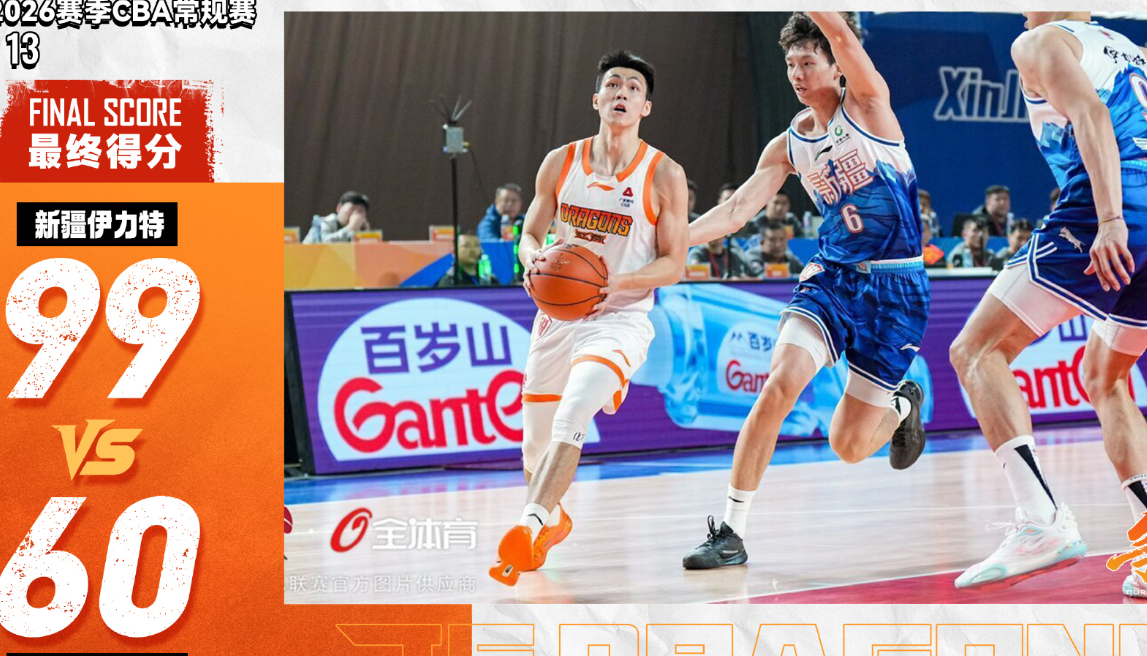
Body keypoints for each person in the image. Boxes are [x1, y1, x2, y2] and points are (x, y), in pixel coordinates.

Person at [682, 12, 929, 569]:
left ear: (836, 66)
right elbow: (736, 210)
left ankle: (901, 405)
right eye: (790, 64)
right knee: (779, 385)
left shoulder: (868, 106)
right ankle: (731, 533)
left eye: (808, 62)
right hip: (832, 278)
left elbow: (840, 32)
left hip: (897, 287)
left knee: (848, 445)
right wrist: (671, 243)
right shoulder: (788, 145)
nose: (796, 73)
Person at [949, 12, 1147, 596]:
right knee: (1104, 376)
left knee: (976, 351)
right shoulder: (1128, 48)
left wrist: (1110, 219)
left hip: (1108, 209)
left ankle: (1042, 521)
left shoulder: (1039, 40)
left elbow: (1092, 116)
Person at [488, 50, 688, 586]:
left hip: (620, 318)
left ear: (646, 107)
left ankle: (528, 524)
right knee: (534, 446)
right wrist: (534, 262)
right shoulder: (560, 162)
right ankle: (553, 520)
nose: (622, 92)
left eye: (634, 88)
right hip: (557, 317)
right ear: (596, 99)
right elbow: (531, 234)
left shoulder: (664, 173)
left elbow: (674, 264)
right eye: (613, 84)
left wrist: (616, 283)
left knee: (574, 413)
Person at [302, 191, 370, 243]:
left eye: (360, 211)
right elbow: (326, 244)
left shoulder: (361, 227)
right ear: (339, 208)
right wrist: (351, 228)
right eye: (352, 209)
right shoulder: (327, 222)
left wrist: (365, 234)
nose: (355, 214)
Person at [435, 232, 500, 286]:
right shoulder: (450, 282)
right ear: (454, 252)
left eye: (476, 246)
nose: (472, 250)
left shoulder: (490, 281)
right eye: (466, 246)